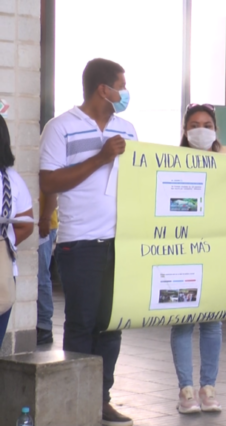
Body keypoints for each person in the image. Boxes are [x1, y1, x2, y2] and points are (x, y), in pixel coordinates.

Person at [39, 58, 139, 426]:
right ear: (104, 90)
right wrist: (101, 157)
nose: (125, 93)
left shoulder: (127, 129)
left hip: (122, 243)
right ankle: (73, 398)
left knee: (111, 323)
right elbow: (48, 182)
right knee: (81, 323)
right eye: (122, 86)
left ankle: (101, 399)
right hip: (80, 242)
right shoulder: (61, 127)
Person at [171, 103, 226, 414]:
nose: (201, 130)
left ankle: (208, 388)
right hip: (181, 251)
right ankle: (186, 391)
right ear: (185, 129)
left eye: (206, 124)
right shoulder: (172, 161)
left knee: (211, 322)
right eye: (194, 124)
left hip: (216, 255)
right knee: (181, 322)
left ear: (215, 129)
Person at [0, 115, 34, 350]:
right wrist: (6, 241)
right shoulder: (12, 180)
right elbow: (26, 224)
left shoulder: (12, 179)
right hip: (2, 274)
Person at [36, 191, 58, 346]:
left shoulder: (43, 166)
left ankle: (44, 326)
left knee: (41, 275)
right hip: (38, 223)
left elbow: (52, 192)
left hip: (44, 225)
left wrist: (45, 218)